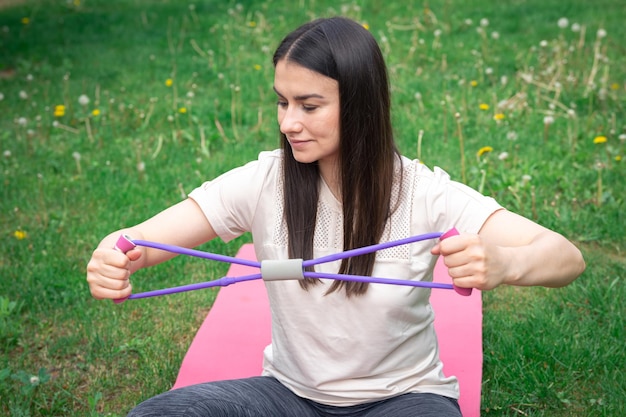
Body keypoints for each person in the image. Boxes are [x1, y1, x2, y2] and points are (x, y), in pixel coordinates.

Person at [86, 16, 585, 417]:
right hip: (288, 396)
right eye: (282, 103)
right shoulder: (263, 180)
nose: (288, 123)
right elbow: (144, 240)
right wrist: (114, 254)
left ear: (361, 105)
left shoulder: (426, 194)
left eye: (309, 105)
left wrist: (504, 264)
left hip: (405, 399)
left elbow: (566, 257)